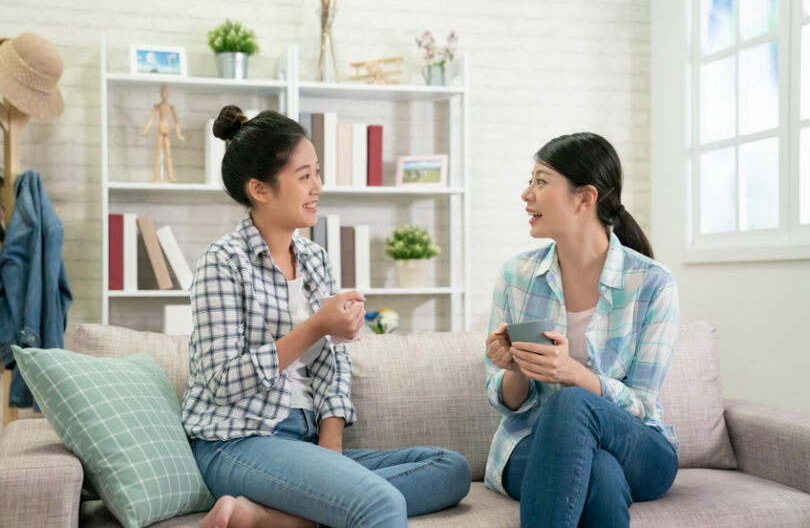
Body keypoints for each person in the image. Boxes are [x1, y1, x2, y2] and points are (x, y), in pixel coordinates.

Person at [182, 106, 470, 528]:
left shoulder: (315, 260)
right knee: (381, 504)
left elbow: (334, 364)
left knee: (451, 468)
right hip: (238, 441)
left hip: (307, 441)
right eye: (304, 176)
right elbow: (222, 380)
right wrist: (316, 325)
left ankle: (268, 518)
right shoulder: (223, 262)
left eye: (317, 171)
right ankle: (308, 511)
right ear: (261, 189)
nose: (318, 186)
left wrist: (331, 440)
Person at [484, 132, 680, 527]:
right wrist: (515, 367)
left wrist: (572, 374)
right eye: (531, 180)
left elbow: (641, 403)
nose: (527, 194)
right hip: (531, 445)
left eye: (541, 181)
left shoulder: (652, 284)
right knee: (601, 475)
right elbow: (503, 401)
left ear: (585, 198)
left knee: (571, 403)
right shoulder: (517, 276)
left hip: (639, 447)